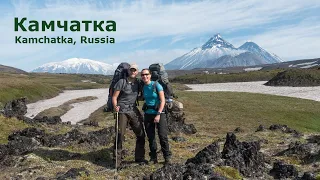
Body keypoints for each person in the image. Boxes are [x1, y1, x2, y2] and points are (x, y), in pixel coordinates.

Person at [112, 63, 147, 167]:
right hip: (122, 111)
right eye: (131, 70)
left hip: (133, 110)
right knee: (119, 136)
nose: (133, 72)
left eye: (135, 70)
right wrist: (115, 107)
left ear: (137, 72)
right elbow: (114, 97)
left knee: (141, 134)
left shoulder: (138, 83)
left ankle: (139, 158)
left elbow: (140, 96)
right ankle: (117, 163)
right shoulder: (121, 82)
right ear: (128, 71)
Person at [140, 68, 172, 165]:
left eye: (146, 74)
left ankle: (167, 157)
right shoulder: (143, 86)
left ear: (150, 75)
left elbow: (162, 101)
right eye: (142, 75)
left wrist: (158, 114)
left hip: (159, 113)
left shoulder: (156, 85)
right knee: (151, 137)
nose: (144, 76)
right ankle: (153, 158)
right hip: (148, 114)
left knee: (162, 136)